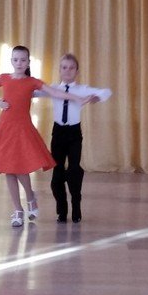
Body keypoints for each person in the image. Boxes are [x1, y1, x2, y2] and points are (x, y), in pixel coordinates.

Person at [0, 45, 91, 227]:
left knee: (20, 168)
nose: (19, 63)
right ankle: (18, 210)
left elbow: (56, 92)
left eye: (23, 60)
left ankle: (30, 196)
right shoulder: (4, 78)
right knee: (8, 170)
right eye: (16, 59)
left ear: (28, 62)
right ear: (11, 61)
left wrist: (77, 98)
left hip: (23, 129)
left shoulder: (32, 82)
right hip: (5, 129)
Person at [36, 53, 112, 223]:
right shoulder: (53, 88)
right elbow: (34, 92)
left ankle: (76, 205)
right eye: (64, 67)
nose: (67, 71)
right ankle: (61, 210)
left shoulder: (82, 89)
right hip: (58, 133)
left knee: (74, 171)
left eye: (71, 68)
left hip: (74, 133)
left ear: (77, 71)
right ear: (59, 70)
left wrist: (96, 97)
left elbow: (107, 92)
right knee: (57, 173)